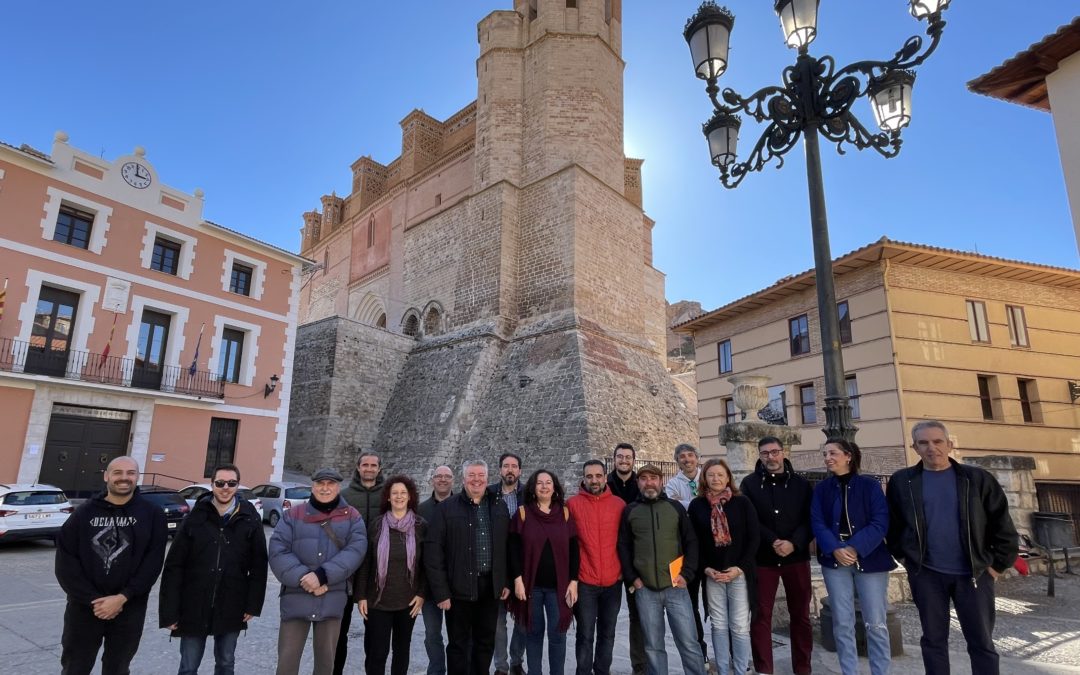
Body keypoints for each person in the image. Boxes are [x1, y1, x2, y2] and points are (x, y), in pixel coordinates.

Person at [887, 420, 1018, 674]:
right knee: (933, 641)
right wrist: (907, 559)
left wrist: (996, 565)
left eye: (937, 441)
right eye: (923, 443)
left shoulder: (977, 479)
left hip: (974, 574)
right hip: (926, 574)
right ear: (914, 447)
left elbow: (1002, 524)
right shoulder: (903, 481)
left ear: (949, 444)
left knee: (982, 642)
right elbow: (894, 525)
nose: (931, 448)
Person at [55, 456, 168, 675]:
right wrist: (92, 600)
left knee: (118, 668)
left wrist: (122, 597)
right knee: (75, 667)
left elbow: (152, 563)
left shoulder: (152, 515)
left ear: (137, 477)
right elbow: (66, 563)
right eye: (117, 473)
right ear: (107, 476)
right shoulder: (83, 514)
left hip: (129, 609)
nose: (124, 478)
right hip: (84, 609)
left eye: (130, 473)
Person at [160, 463, 268, 675]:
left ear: (237, 485)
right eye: (220, 483)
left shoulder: (250, 518)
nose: (225, 487)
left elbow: (259, 565)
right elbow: (174, 566)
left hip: (232, 601)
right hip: (193, 602)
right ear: (212, 485)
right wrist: (169, 611)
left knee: (226, 663)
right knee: (188, 666)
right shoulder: (194, 517)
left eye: (231, 483)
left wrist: (252, 604)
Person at [269, 467, 368, 675]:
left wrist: (322, 576)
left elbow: (356, 550)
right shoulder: (293, 515)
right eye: (320, 484)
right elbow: (278, 549)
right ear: (312, 486)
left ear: (338, 487)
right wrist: (305, 577)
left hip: (331, 598)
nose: (325, 488)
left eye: (330, 484)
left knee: (326, 664)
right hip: (297, 596)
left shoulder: (352, 517)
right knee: (287, 663)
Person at [811, 439, 894, 675]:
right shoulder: (821, 489)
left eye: (833, 453)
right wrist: (835, 548)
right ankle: (849, 671)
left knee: (876, 622)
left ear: (848, 456)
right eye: (825, 453)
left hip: (870, 558)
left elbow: (880, 521)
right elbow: (817, 522)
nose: (827, 457)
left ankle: (881, 671)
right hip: (834, 560)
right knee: (842, 622)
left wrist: (856, 547)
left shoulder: (869, 486)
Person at [425, 459, 511, 675]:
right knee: (458, 645)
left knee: (485, 642)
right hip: (458, 589)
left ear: (487, 477)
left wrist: (505, 581)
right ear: (463, 479)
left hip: (490, 588)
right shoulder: (446, 508)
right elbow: (433, 553)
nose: (477, 480)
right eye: (471, 475)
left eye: (481, 475)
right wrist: (441, 592)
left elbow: (507, 547)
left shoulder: (498, 506)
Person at [617, 464, 705, 675]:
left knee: (689, 644)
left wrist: (687, 574)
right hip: (645, 589)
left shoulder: (675, 507)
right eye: (644, 478)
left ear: (661, 481)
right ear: (638, 482)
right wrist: (633, 579)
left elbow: (691, 542)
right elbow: (624, 547)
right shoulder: (630, 511)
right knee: (653, 647)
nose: (649, 482)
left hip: (676, 586)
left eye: (653, 478)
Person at [740, 436, 813, 675]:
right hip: (764, 560)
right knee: (761, 617)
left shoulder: (801, 484)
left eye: (774, 452)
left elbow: (809, 520)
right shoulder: (749, 485)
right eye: (765, 453)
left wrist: (794, 543)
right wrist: (773, 541)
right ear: (759, 456)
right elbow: (750, 520)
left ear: (783, 453)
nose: (770, 457)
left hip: (796, 558)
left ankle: (802, 668)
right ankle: (764, 669)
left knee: (801, 616)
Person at [688, 459, 759, 675]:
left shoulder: (742, 503)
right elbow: (694, 542)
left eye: (720, 475)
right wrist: (705, 568)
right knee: (718, 625)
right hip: (712, 574)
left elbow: (753, 538)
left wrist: (740, 568)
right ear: (704, 478)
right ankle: (723, 669)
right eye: (711, 475)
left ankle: (741, 669)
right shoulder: (697, 506)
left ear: (728, 477)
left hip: (738, 573)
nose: (715, 479)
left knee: (739, 626)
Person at [353, 475, 427, 675]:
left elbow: (425, 566)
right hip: (378, 602)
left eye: (403, 493)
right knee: (377, 653)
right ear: (388, 497)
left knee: (402, 652)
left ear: (410, 496)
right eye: (395, 493)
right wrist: (360, 595)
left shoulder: (421, 526)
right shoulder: (376, 525)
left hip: (408, 602)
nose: (399, 496)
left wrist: (421, 594)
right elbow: (366, 562)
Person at [509, 469, 580, 675]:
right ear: (533, 488)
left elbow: (574, 548)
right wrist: (517, 580)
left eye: (548, 482)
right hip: (532, 587)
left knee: (558, 635)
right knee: (533, 634)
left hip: (558, 588)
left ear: (554, 486)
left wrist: (573, 581)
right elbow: (513, 549)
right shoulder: (523, 513)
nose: (544, 486)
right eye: (539, 483)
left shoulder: (564, 513)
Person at [568, 459, 625, 675]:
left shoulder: (619, 505)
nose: (594, 480)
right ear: (583, 478)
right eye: (589, 476)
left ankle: (602, 671)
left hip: (612, 581)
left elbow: (625, 541)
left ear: (605, 476)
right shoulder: (572, 505)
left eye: (598, 476)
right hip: (585, 582)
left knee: (608, 633)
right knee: (584, 634)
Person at [335, 451, 386, 675]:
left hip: (376, 575)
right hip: (347, 574)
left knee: (374, 635)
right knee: (338, 632)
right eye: (365, 465)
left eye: (373, 465)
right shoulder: (344, 496)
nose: (369, 468)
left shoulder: (388, 496)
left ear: (379, 469)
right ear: (358, 468)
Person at [664, 443, 709, 671]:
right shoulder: (672, 485)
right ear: (677, 461)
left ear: (697, 458)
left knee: (716, 607)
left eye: (690, 455)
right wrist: (701, 504)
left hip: (711, 551)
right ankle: (700, 654)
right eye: (682, 457)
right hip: (688, 553)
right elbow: (673, 508)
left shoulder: (708, 477)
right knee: (691, 608)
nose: (687, 459)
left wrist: (687, 505)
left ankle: (727, 653)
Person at [606, 442, 644, 675]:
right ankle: (602, 665)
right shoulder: (604, 485)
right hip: (609, 558)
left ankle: (639, 665)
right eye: (620, 457)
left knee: (637, 616)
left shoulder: (642, 485)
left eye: (628, 457)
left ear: (633, 460)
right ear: (614, 459)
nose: (624, 461)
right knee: (608, 619)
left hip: (635, 559)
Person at [489, 452, 527, 675]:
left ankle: (516, 661)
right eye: (506, 466)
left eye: (514, 466)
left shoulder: (527, 495)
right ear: (500, 470)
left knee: (522, 619)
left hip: (522, 565)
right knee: (498, 622)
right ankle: (501, 666)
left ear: (520, 471)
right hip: (496, 566)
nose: (510, 470)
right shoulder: (489, 494)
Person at [418, 465, 455, 675]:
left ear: (453, 480)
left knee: (458, 634)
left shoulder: (462, 505)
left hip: (456, 584)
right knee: (432, 634)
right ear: (432, 480)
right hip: (430, 586)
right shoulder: (422, 510)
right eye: (438, 476)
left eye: (447, 476)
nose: (442, 480)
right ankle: (437, 670)